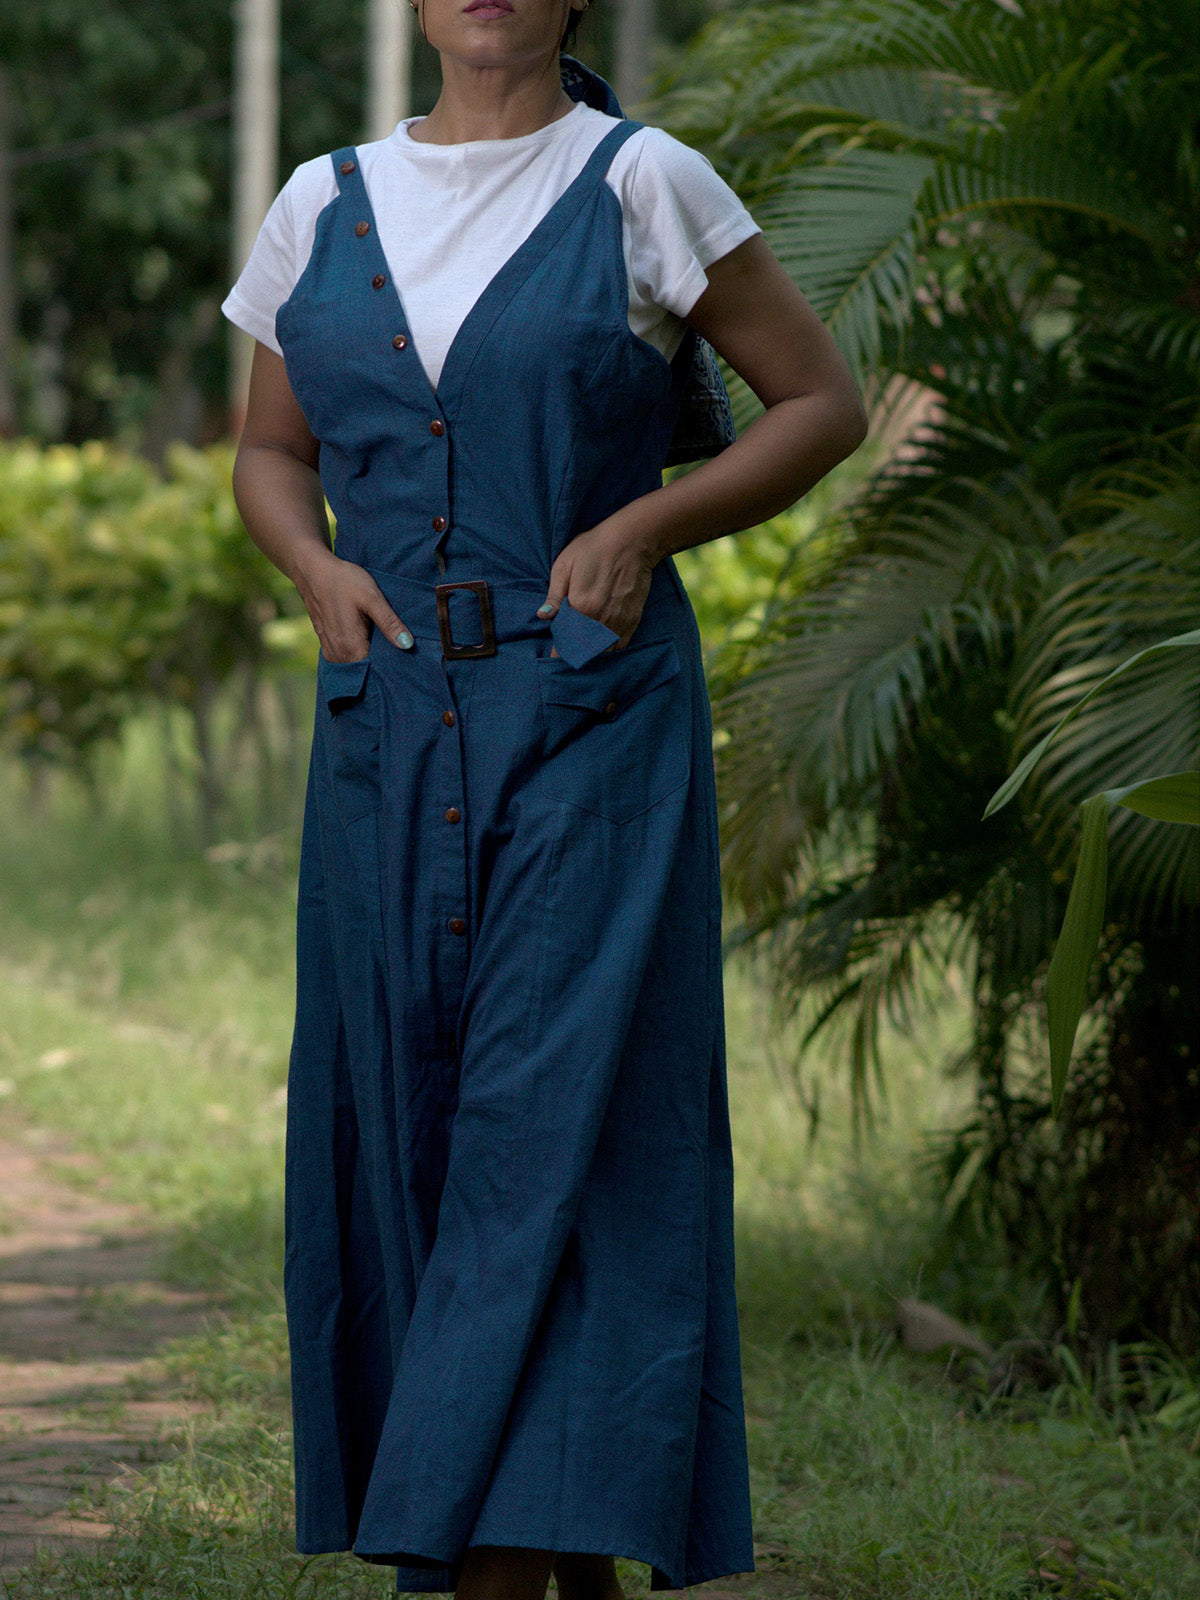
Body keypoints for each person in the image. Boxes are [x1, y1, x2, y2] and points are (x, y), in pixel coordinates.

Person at [222, 2, 866, 1597]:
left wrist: (648, 526)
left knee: (551, 1117)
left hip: (588, 716)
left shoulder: (646, 182)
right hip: (386, 726)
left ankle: (492, 1561)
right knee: (407, 1116)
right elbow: (270, 454)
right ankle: (547, 1553)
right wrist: (313, 570)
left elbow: (820, 405)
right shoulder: (318, 202)